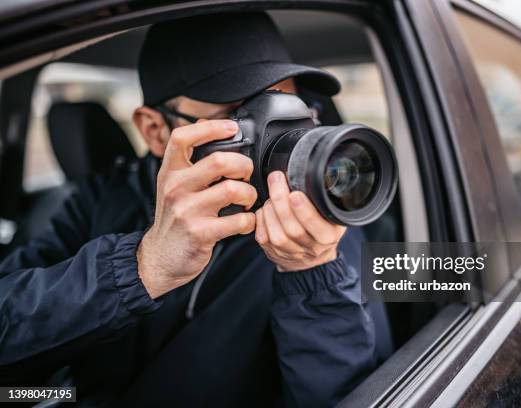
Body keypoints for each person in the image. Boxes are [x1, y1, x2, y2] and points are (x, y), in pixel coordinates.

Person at [0, 12, 392, 407]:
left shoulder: (318, 226)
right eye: (239, 117)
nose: (276, 129)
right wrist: (141, 268)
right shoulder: (105, 198)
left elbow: (351, 396)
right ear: (155, 130)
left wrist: (313, 273)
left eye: (288, 105)